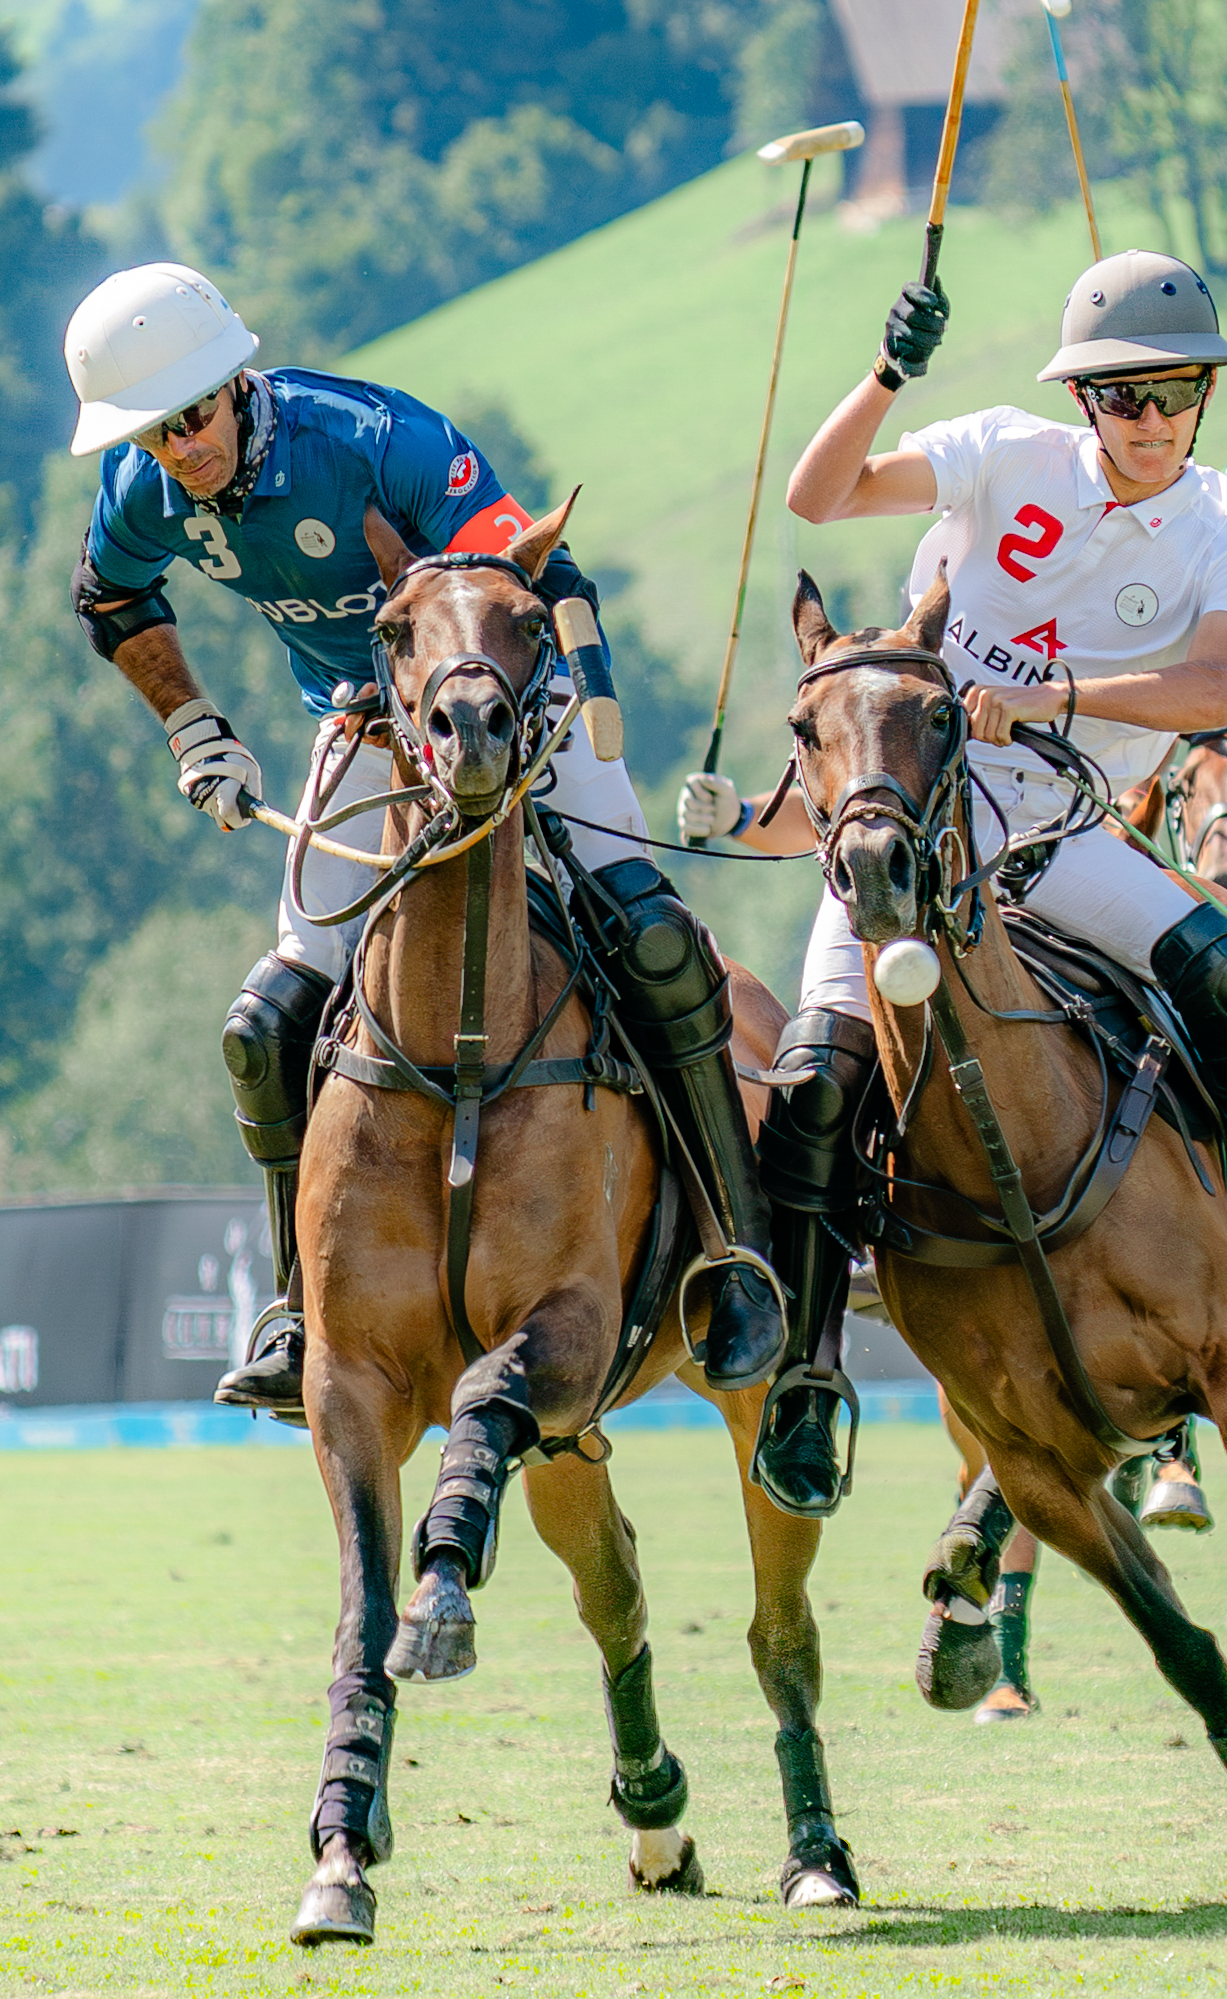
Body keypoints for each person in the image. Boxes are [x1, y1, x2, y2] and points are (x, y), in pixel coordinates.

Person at [679, 249, 1227, 1520]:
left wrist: (1054, 696)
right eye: (1123, 395)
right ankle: (809, 1375)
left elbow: (1215, 688)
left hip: (1063, 832)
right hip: (915, 824)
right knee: (815, 1079)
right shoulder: (1003, 450)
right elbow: (821, 496)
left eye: (1174, 393)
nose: (1150, 420)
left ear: (1207, 394)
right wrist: (887, 371)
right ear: (1083, 398)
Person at [62, 261, 789, 1414]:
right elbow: (110, 597)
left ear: (236, 381)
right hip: (365, 723)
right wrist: (194, 724)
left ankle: (741, 1257)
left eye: (191, 416)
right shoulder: (142, 492)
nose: (180, 448)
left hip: (508, 700)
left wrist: (541, 704)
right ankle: (301, 1307)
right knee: (265, 1022)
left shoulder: (377, 440)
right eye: (152, 432)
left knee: (652, 936)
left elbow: (537, 572)